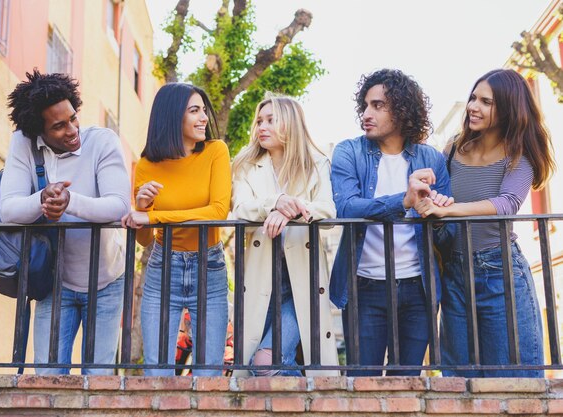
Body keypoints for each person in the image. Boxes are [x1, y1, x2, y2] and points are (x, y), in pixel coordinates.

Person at [415, 69, 555, 378]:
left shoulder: (519, 153)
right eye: (473, 98)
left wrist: (450, 211)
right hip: (454, 273)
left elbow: (507, 204)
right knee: (459, 382)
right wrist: (428, 197)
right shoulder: (453, 149)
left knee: (514, 380)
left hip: (499, 273)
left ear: (507, 108)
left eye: (486, 102)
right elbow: (436, 201)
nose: (473, 107)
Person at [0, 70, 131, 374]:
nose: (72, 130)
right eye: (59, 126)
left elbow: (119, 204)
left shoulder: (102, 141)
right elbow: (9, 209)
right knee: (47, 380)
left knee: (97, 383)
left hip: (107, 280)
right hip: (53, 284)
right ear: (38, 130)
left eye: (73, 118)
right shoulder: (23, 144)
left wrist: (71, 202)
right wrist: (42, 199)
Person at [330, 68, 451, 376]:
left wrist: (437, 211)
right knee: (361, 384)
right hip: (364, 288)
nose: (366, 114)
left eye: (378, 105)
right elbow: (345, 207)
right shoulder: (349, 152)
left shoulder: (432, 159)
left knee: (407, 384)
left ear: (402, 109)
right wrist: (404, 201)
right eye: (365, 106)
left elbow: (447, 232)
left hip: (418, 288)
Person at [122, 83, 231, 376]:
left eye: (204, 110)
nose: (204, 117)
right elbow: (144, 238)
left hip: (209, 266)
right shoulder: (147, 165)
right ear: (172, 117)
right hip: (162, 267)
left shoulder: (215, 152)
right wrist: (143, 207)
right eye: (194, 110)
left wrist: (155, 217)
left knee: (208, 374)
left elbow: (218, 211)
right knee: (157, 374)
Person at [231, 95, 339, 376]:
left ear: (290, 123)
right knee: (255, 369)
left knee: (265, 363)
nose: (261, 127)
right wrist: (274, 202)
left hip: (302, 281)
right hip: (260, 280)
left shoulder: (316, 164)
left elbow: (327, 212)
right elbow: (240, 209)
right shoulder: (246, 165)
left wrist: (290, 210)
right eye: (259, 121)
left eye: (270, 120)